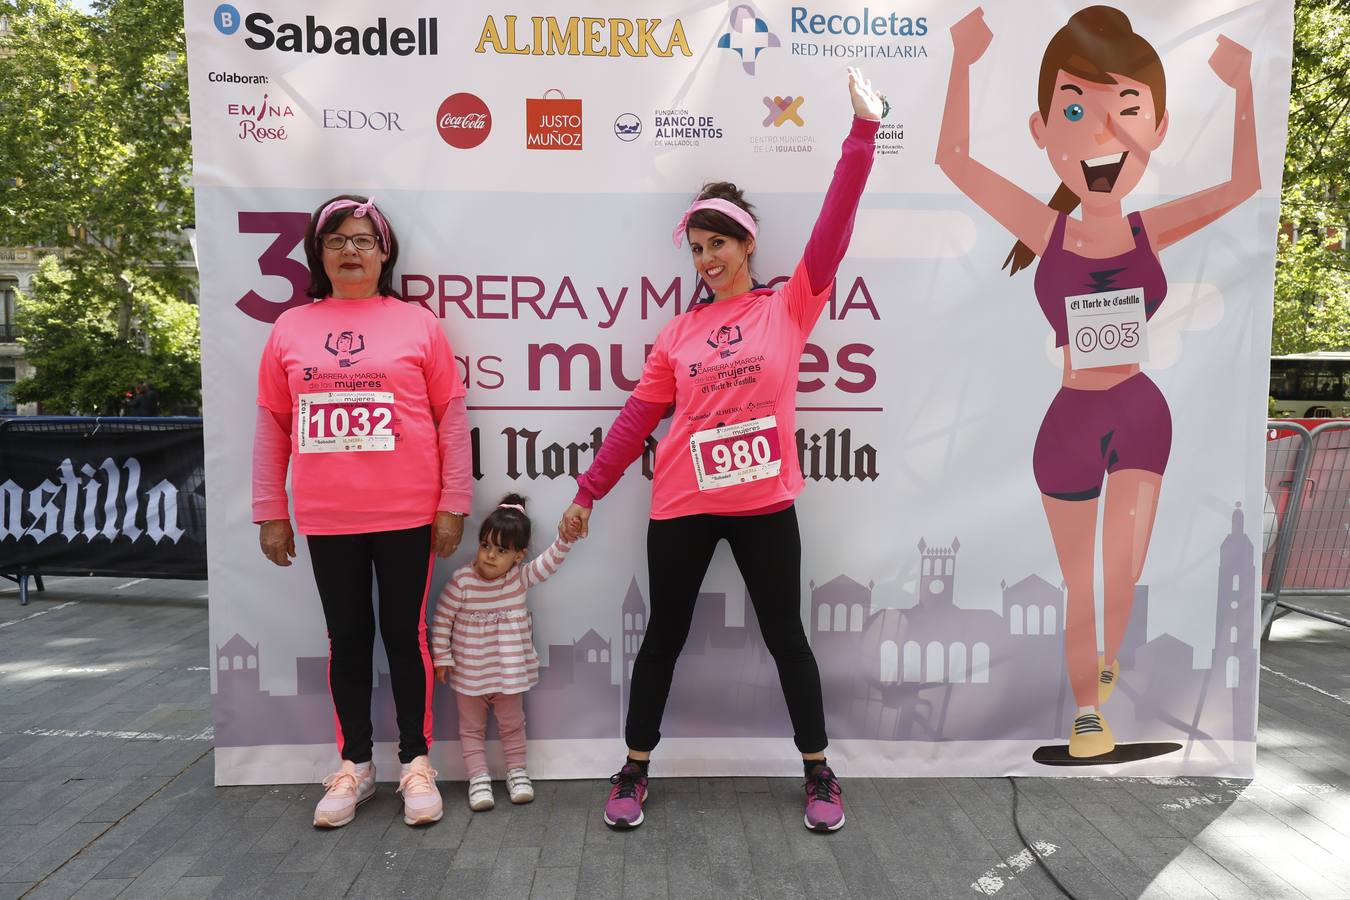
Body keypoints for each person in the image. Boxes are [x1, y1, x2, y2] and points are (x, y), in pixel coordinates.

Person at [557, 67, 883, 833]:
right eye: (696, 247)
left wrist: (864, 132)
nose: (703, 258)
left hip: (764, 504)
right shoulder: (678, 333)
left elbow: (835, 224)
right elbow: (637, 420)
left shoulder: (787, 305)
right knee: (662, 639)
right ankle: (634, 768)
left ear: (745, 244)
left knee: (787, 640)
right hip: (683, 504)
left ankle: (818, 772)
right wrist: (585, 493)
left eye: (716, 244)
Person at [936, 7, 1259, 757]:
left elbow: (1244, 181)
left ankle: (1103, 664)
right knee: (1080, 580)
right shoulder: (1044, 229)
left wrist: (1242, 86)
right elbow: (953, 159)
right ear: (1041, 130)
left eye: (1127, 112)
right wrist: (960, 60)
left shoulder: (1151, 228)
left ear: (1157, 126)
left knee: (1123, 574)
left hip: (1141, 413)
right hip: (1071, 425)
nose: (1101, 134)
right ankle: (1089, 710)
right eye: (1075, 110)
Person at [252, 194, 473, 826]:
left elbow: (449, 418)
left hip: (407, 511)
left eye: (363, 240)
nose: (351, 250)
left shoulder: (417, 324)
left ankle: (415, 762)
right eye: (337, 241)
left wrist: (452, 502)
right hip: (328, 516)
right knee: (347, 640)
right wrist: (271, 507)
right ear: (319, 255)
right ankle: (354, 765)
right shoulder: (290, 327)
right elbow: (272, 424)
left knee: (404, 638)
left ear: (384, 253)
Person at [430, 495, 574, 811]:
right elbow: (442, 619)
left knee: (513, 725)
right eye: (486, 546)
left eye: (502, 550)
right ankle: (478, 779)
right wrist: (441, 657)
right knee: (470, 729)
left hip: (509, 674)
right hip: (470, 674)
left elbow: (549, 562)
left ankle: (517, 772)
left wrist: (565, 539)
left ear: (519, 556)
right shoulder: (462, 581)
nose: (491, 556)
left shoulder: (519, 579)